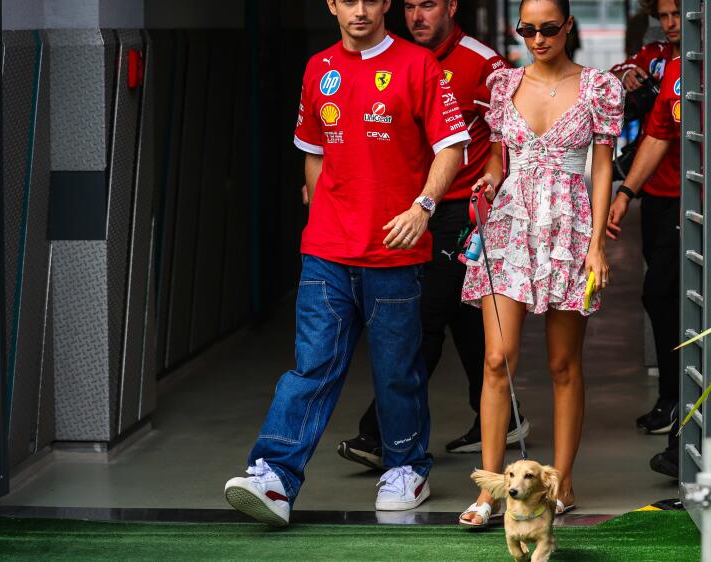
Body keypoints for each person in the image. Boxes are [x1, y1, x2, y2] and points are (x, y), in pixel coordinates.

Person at [223, 0, 469, 526]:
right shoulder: (319, 68)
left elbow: (452, 146)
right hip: (327, 252)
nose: (360, 10)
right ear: (331, 4)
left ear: (385, 4)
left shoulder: (417, 65)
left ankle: (407, 467)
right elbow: (314, 151)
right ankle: (273, 476)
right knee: (312, 366)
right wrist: (320, 218)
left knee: (396, 371)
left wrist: (423, 207)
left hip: (394, 250)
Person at [335, 0, 531, 471]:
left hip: (458, 213)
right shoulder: (392, 58)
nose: (416, 16)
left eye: (428, 5)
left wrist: (496, 175)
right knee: (463, 316)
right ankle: (504, 419)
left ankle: (380, 434)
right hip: (404, 211)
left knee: (421, 318)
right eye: (410, 6)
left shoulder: (483, 63)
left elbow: (508, 136)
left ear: (451, 6)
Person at [457, 0, 623, 526]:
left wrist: (597, 242)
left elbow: (602, 169)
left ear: (568, 26)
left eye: (548, 28)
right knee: (495, 357)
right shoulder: (504, 85)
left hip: (569, 231)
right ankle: (489, 491)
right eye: (526, 29)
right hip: (509, 227)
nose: (537, 38)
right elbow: (497, 155)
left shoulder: (598, 87)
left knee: (562, 364)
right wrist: (487, 180)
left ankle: (562, 479)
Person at [607, 6, 711, 478]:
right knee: (680, 307)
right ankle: (688, 436)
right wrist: (625, 193)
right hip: (694, 211)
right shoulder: (682, 66)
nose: (680, 22)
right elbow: (661, 132)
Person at [607, 0, 683, 437]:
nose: (672, 25)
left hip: (703, 197)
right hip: (656, 194)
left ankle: (678, 399)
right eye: (666, 16)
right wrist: (625, 78)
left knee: (662, 295)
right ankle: (672, 398)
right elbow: (617, 78)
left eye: (679, 16)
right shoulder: (655, 56)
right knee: (664, 297)